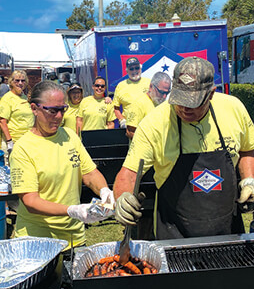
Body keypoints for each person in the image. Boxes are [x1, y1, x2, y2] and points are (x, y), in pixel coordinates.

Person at [113, 56, 254, 240]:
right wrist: (122, 197)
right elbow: (128, 173)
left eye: (193, 102)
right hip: (174, 230)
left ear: (211, 94)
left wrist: (249, 180)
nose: (184, 108)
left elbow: (248, 149)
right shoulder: (155, 123)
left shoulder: (233, 109)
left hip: (226, 228)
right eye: (179, 99)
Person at [10, 81, 115, 249]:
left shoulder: (69, 136)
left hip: (74, 237)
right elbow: (30, 200)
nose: (59, 116)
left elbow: (89, 173)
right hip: (38, 241)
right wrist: (72, 210)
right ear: (34, 109)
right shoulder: (23, 148)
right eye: (52, 111)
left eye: (62, 109)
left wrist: (105, 192)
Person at [125, 72, 171, 140]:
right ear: (151, 87)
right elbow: (130, 132)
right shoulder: (138, 104)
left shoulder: (165, 105)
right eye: (161, 92)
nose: (164, 96)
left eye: (167, 93)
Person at [0, 70, 34, 158]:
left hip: (27, 141)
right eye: (17, 80)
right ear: (11, 82)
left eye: (23, 81)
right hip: (13, 142)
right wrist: (9, 141)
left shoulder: (24, 97)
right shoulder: (7, 98)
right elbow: (2, 121)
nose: (20, 83)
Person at [113, 57, 151, 128]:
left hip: (148, 125)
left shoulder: (149, 83)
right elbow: (116, 107)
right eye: (131, 69)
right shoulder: (120, 86)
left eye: (137, 68)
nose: (134, 71)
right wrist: (122, 120)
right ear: (127, 71)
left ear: (140, 68)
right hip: (130, 126)